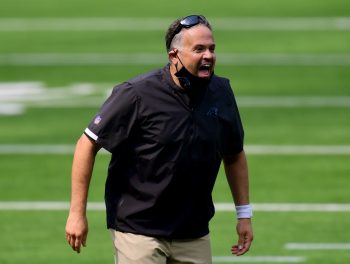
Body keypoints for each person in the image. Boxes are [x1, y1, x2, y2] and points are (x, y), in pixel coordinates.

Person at [65, 14, 253, 263]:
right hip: (138, 230)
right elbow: (87, 143)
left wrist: (244, 215)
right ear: (174, 55)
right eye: (199, 49)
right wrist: (77, 214)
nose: (208, 55)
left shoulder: (221, 92)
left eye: (211, 48)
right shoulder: (136, 94)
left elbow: (234, 153)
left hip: (193, 232)